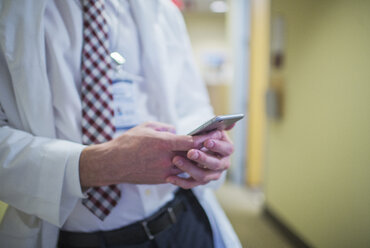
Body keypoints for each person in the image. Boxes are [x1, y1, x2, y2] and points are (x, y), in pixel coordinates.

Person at [0, 0, 241, 247]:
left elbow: (192, 105)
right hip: (80, 240)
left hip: (182, 221)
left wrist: (204, 147)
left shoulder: (162, 10)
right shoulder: (11, 11)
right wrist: (98, 164)